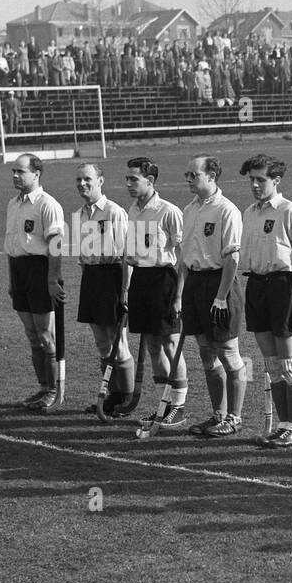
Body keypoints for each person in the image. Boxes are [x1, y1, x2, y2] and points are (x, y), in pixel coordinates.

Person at [238, 153, 292, 448]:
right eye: (252, 180)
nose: (255, 185)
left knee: (289, 363)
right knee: (271, 364)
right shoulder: (249, 212)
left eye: (261, 180)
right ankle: (284, 426)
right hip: (256, 286)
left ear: (276, 181)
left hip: (283, 287)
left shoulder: (289, 211)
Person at [180, 154, 246, 438]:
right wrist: (181, 292)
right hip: (195, 284)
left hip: (220, 285)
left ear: (212, 176)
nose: (189, 179)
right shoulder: (189, 209)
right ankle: (218, 414)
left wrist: (220, 297)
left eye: (194, 175)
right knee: (206, 352)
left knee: (229, 354)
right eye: (189, 175)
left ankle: (234, 417)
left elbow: (232, 259)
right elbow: (184, 258)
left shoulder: (226, 210)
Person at [123, 157, 187, 430]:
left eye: (133, 179)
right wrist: (127, 288)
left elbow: (183, 255)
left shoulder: (168, 211)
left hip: (165, 279)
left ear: (149, 181)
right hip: (141, 279)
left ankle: (179, 407)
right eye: (128, 179)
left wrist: (179, 295)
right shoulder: (133, 210)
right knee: (152, 345)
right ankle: (163, 406)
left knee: (170, 343)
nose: (128, 184)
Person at [4, 153, 65, 410]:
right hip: (18, 271)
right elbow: (11, 244)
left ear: (36, 174)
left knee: (45, 334)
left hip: (39, 271)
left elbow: (57, 244)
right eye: (14, 172)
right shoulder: (13, 204)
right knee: (31, 335)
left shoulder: (47, 204)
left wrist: (52, 279)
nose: (16, 176)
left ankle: (53, 390)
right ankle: (42, 387)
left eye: (21, 171)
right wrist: (11, 278)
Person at [72, 163, 133, 416]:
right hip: (91, 279)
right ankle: (111, 395)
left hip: (113, 277)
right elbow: (82, 257)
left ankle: (127, 401)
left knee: (119, 343)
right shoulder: (79, 215)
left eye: (87, 179)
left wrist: (125, 291)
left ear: (100, 181)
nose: (82, 184)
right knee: (102, 344)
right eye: (79, 180)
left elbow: (127, 256)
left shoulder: (114, 212)